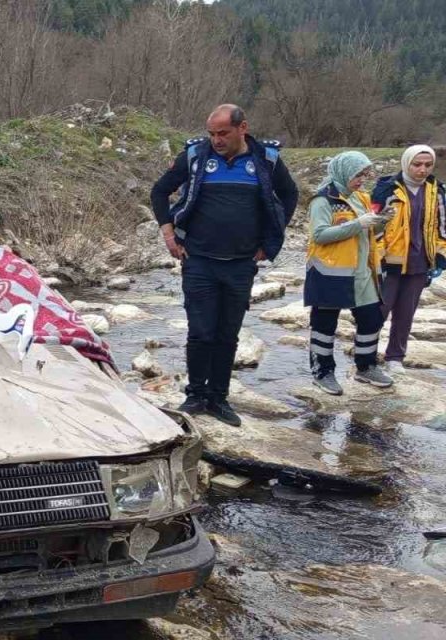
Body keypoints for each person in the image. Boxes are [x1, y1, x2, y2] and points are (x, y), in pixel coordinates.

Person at [150, 104, 299, 426]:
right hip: (199, 261)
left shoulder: (267, 160)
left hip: (241, 264)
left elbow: (289, 194)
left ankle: (219, 398)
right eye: (212, 134)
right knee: (201, 332)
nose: (216, 140)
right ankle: (195, 395)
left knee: (227, 334)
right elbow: (160, 191)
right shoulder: (194, 157)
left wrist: (271, 239)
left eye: (223, 133)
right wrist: (168, 234)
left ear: (242, 127)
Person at [304, 151, 393, 394]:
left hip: (362, 271)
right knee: (324, 324)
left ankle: (366, 367)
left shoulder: (361, 197)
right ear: (343, 172)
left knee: (372, 319)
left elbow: (368, 232)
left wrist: (381, 221)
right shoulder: (322, 201)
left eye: (365, 174)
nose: (362, 179)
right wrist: (358, 224)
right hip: (330, 272)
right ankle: (323, 372)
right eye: (358, 174)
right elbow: (319, 235)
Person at [370, 144, 446, 373]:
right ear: (406, 164)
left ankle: (395, 357)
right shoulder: (386, 190)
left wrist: (441, 257)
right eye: (417, 164)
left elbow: (442, 227)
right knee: (378, 311)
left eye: (428, 165)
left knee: (406, 313)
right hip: (389, 261)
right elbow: (375, 227)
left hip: (420, 261)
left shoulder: (437, 191)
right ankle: (366, 354)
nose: (422, 170)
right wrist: (378, 258)